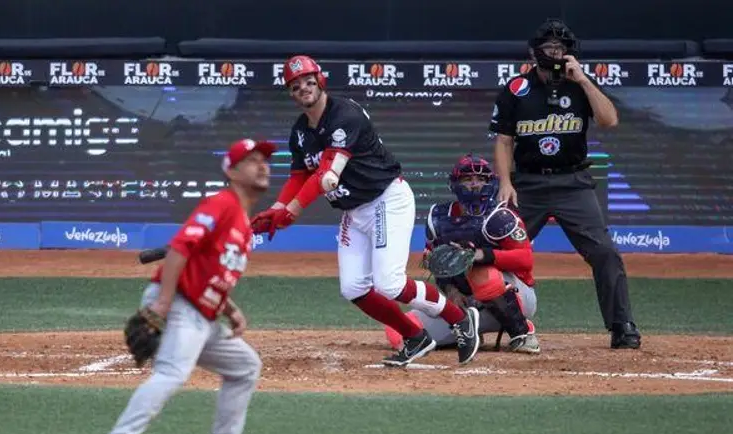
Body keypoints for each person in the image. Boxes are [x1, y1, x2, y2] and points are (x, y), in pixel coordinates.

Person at [250, 54, 481, 367]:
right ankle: (415, 337)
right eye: (295, 86)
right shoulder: (300, 131)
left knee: (391, 284)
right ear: (290, 94)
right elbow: (299, 175)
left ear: (320, 80)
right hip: (354, 210)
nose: (303, 88)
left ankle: (461, 320)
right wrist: (276, 208)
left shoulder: (346, 114)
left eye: (308, 80)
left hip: (386, 199)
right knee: (353, 288)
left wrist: (290, 211)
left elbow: (327, 176)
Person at [89, 138, 274, 434]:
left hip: (202, 315)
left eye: (264, 160)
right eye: (251, 160)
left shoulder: (242, 222)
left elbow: (210, 271)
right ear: (231, 171)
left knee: (245, 367)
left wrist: (230, 309)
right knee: (173, 372)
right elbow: (179, 250)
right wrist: (162, 303)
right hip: (178, 303)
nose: (262, 165)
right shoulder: (222, 204)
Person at [489, 18, 641, 349]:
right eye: (549, 48)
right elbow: (503, 141)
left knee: (604, 252)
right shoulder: (517, 89)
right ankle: (477, 317)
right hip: (527, 184)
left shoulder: (579, 85)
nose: (556, 53)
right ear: (536, 52)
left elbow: (609, 120)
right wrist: (505, 182)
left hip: (573, 183)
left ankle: (622, 324)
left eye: (561, 48)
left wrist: (583, 79)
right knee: (494, 251)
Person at [385, 154, 540, 354]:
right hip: (465, 300)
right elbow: (435, 261)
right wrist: (449, 289)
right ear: (455, 185)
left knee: (481, 273)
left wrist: (481, 255)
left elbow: (525, 260)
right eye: (468, 179)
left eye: (481, 179)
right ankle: (471, 330)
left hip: (515, 297)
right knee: (398, 332)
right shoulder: (438, 217)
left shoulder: (501, 216)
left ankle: (523, 332)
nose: (475, 185)